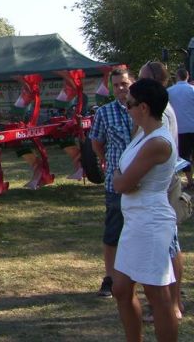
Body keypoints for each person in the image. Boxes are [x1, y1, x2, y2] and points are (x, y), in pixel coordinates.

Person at [112, 78, 178, 342]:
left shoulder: (157, 142)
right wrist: (120, 176)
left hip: (150, 221)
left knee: (158, 296)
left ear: (144, 107)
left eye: (130, 103)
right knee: (120, 288)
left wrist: (118, 176)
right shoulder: (142, 134)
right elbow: (124, 177)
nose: (126, 107)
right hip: (135, 219)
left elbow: (123, 183)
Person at [139, 61, 184, 322]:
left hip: (161, 185)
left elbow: (158, 149)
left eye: (143, 80)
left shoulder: (161, 113)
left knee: (168, 245)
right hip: (160, 182)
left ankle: (170, 304)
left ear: (154, 81)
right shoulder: (161, 109)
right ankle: (166, 303)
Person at [90, 67, 133, 298]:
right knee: (113, 231)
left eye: (124, 84)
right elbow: (96, 142)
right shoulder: (105, 113)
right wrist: (106, 160)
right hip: (115, 183)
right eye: (116, 85)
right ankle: (110, 278)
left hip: (141, 183)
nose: (120, 89)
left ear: (132, 83)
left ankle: (146, 279)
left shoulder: (143, 109)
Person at [167, 68, 194, 189]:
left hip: (180, 128)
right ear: (187, 76)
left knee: (185, 155)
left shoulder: (169, 91)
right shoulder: (192, 90)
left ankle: (189, 181)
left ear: (177, 76)